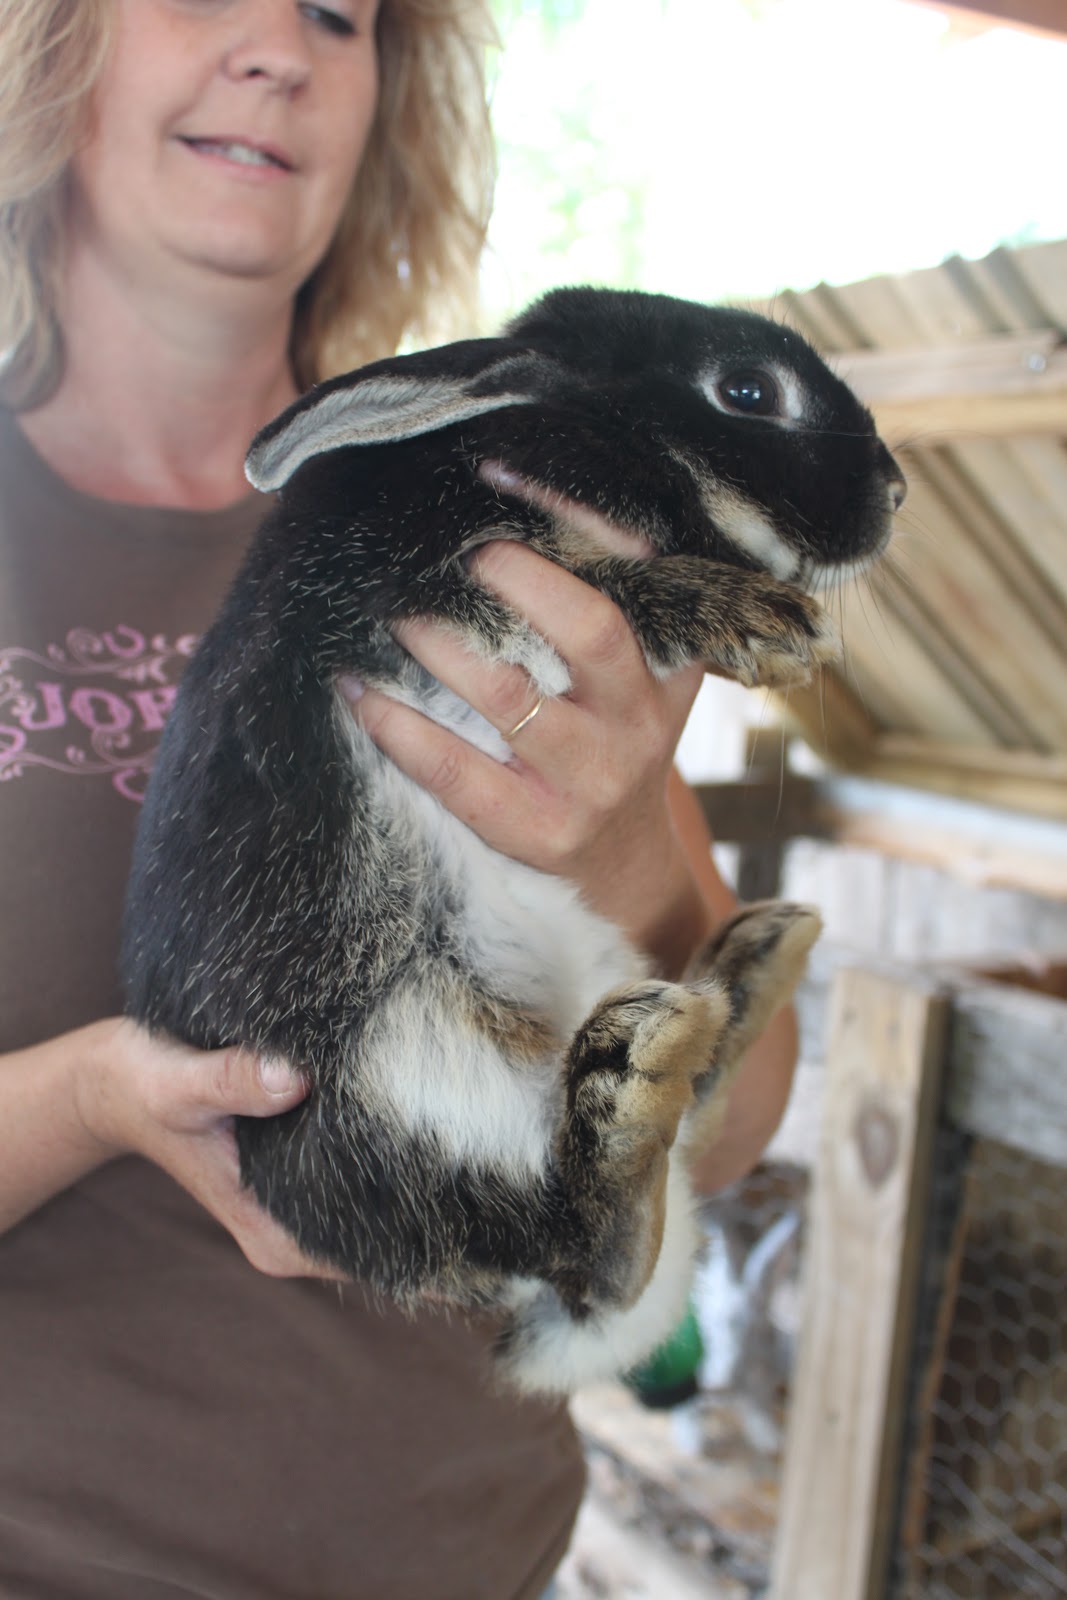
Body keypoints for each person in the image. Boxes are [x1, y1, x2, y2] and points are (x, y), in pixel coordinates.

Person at [0, 2, 799, 1596]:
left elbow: (733, 1134)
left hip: (479, 1552)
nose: (280, 49)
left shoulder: (506, 518)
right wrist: (93, 1098)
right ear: (49, 44)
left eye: (336, 14)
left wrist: (632, 852)